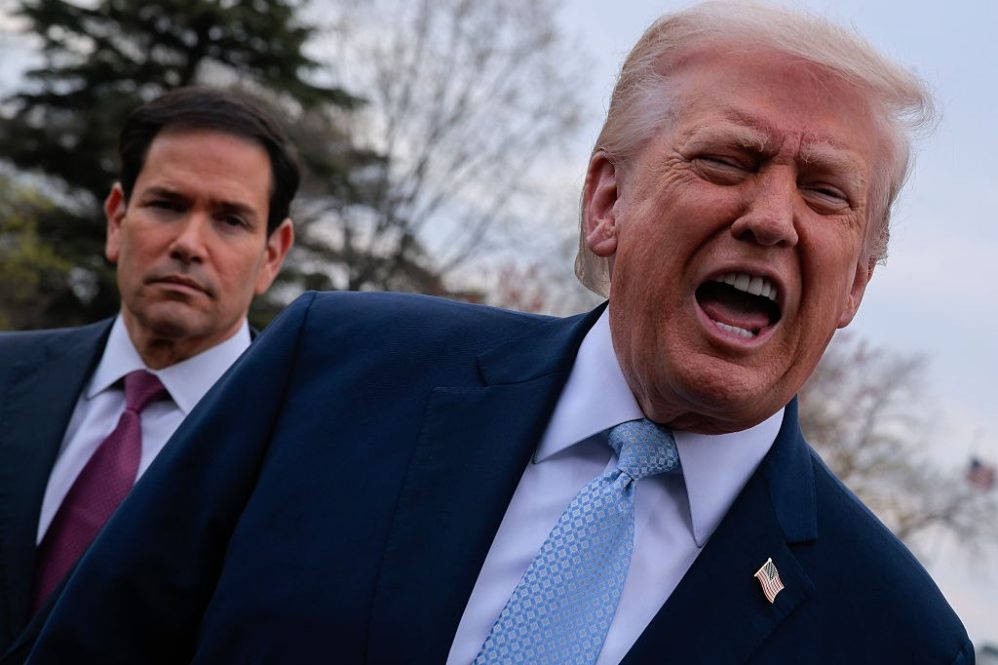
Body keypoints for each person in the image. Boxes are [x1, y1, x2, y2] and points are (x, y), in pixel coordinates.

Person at [26, 3, 971, 664]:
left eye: (825, 193)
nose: (771, 218)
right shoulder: (329, 372)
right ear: (606, 202)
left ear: (856, 281)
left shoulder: (899, 637)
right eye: (728, 159)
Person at [0, 87, 296, 660]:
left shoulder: (295, 453)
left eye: (230, 220)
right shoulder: (7, 375)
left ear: (271, 255)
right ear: (117, 219)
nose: (189, 243)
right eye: (166, 204)